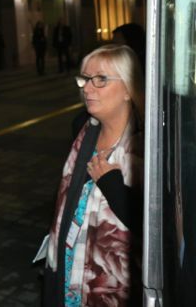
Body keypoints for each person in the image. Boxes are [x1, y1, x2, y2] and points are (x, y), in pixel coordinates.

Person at [44, 44, 144, 306]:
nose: (87, 89)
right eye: (85, 79)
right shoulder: (84, 130)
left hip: (112, 286)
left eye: (100, 79)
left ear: (128, 89)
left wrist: (113, 187)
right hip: (68, 267)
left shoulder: (146, 149)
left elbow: (158, 229)